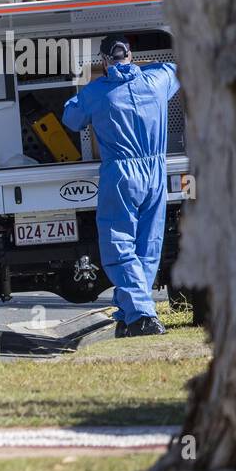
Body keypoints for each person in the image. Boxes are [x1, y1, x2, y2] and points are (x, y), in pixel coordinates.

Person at [61, 34, 180, 337]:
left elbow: (71, 118)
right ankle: (129, 314)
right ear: (131, 55)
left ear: (102, 61)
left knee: (118, 244)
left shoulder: (98, 92)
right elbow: (178, 69)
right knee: (147, 245)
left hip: (122, 175)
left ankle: (142, 314)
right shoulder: (157, 80)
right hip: (155, 171)